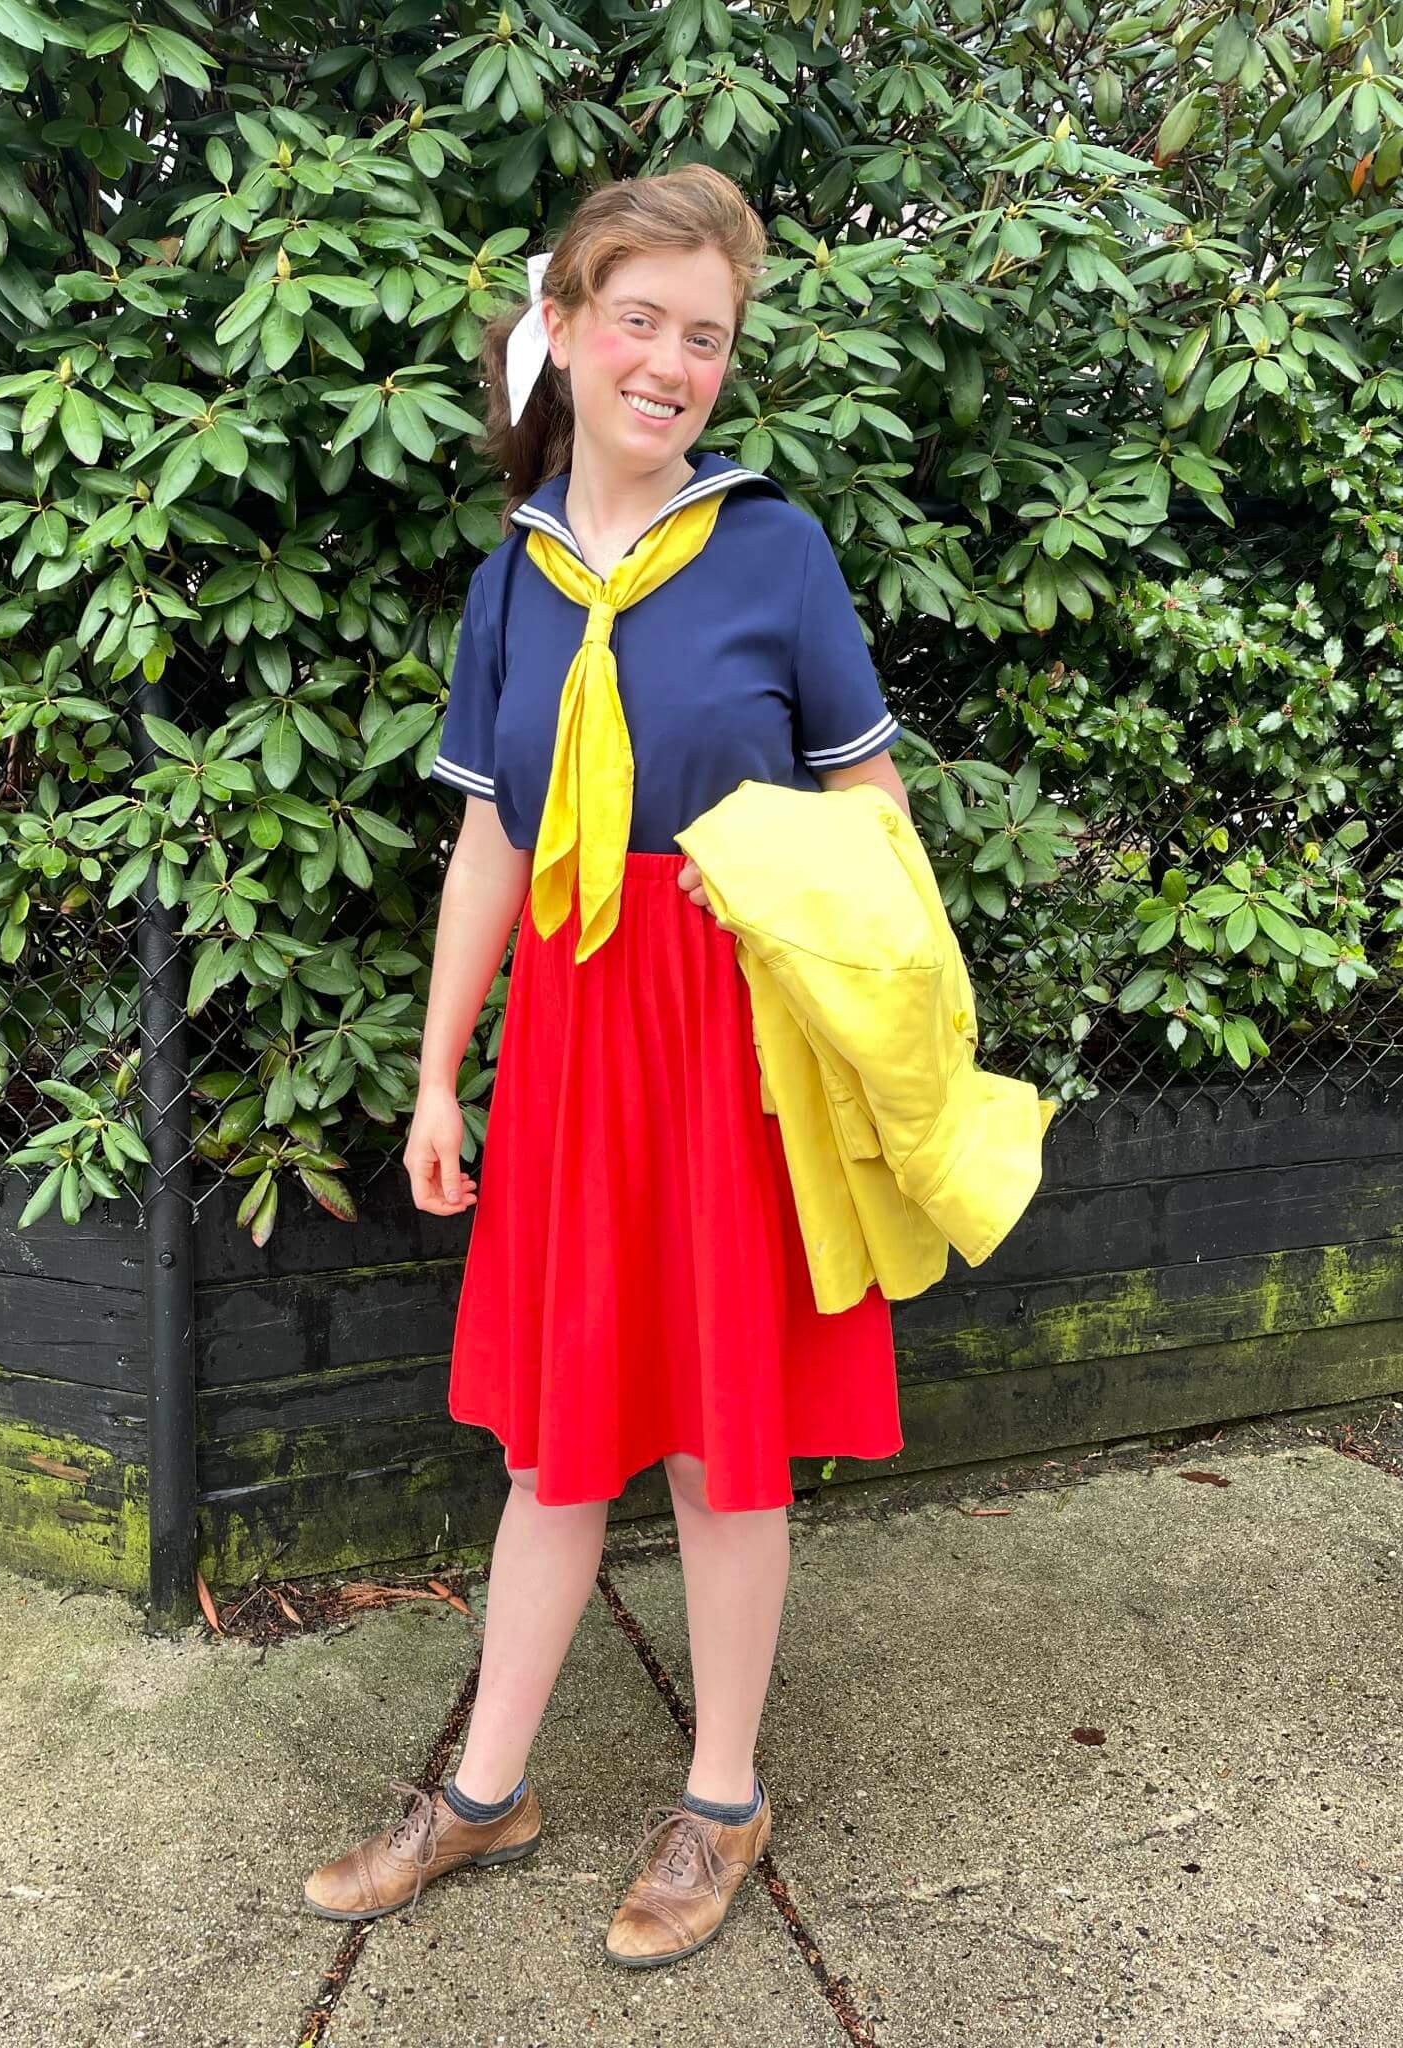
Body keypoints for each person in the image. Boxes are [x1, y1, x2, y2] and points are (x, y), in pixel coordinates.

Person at [304, 163, 913, 1969]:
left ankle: (724, 1798)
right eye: (637, 318)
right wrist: (436, 1075)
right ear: (560, 330)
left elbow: (871, 803)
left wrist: (865, 1007)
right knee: (562, 1442)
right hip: (572, 1038)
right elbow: (492, 839)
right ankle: (490, 1788)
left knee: (730, 1442)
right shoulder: (517, 578)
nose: (671, 361)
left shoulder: (775, 550)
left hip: (730, 1035)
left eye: (705, 336)